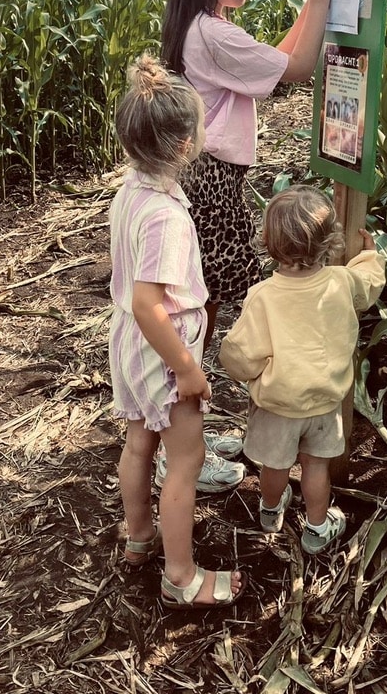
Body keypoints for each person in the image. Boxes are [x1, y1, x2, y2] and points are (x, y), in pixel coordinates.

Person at [108, 53, 246, 609]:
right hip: (160, 350)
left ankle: (138, 535)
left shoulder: (130, 192)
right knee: (184, 461)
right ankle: (182, 577)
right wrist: (187, 366)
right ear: (186, 144)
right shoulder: (166, 215)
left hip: (130, 349)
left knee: (139, 442)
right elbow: (149, 304)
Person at [161, 0, 332, 350]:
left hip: (201, 171)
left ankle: (183, 374)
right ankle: (186, 378)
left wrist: (308, 5)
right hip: (212, 179)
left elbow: (274, 61)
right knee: (206, 290)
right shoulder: (215, 35)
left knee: (199, 287)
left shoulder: (200, 25)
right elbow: (298, 67)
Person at [218, 186, 386, 554]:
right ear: (331, 242)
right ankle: (316, 528)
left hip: (277, 405)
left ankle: (269, 511)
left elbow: (241, 354)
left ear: (267, 242)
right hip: (324, 403)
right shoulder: (341, 281)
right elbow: (369, 283)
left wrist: (239, 369)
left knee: (275, 466)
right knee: (316, 468)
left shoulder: (263, 296)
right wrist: (370, 256)